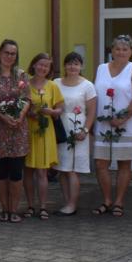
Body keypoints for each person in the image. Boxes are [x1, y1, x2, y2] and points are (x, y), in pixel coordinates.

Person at [92, 35, 132, 217]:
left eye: (125, 49)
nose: (121, 52)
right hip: (103, 124)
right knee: (101, 163)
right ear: (112, 51)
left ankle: (119, 202)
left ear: (131, 51)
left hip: (126, 124)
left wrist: (123, 117)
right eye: (117, 49)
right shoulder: (101, 68)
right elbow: (94, 94)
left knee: (124, 163)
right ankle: (106, 200)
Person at [0, 39, 30, 223]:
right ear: (0, 53)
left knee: (16, 171)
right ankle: (4, 209)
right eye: (6, 52)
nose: (9, 56)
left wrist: (19, 116)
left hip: (18, 129)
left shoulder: (21, 75)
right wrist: (4, 117)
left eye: (13, 54)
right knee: (1, 171)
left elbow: (27, 98)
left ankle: (14, 210)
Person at [53, 52, 97, 216]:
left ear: (81, 66)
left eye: (76, 64)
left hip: (78, 129)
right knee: (62, 169)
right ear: (65, 66)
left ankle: (72, 204)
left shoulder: (87, 86)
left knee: (73, 169)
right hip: (61, 128)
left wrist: (85, 130)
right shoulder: (56, 83)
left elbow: (91, 112)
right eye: (70, 63)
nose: (73, 67)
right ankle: (67, 202)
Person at [23, 52, 64, 219]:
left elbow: (60, 109)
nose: (42, 68)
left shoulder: (52, 86)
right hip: (28, 130)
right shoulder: (25, 84)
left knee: (41, 172)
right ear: (34, 65)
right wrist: (29, 112)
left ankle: (43, 207)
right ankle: (30, 205)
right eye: (40, 64)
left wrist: (51, 112)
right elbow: (20, 106)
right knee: (27, 171)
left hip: (45, 131)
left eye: (46, 66)